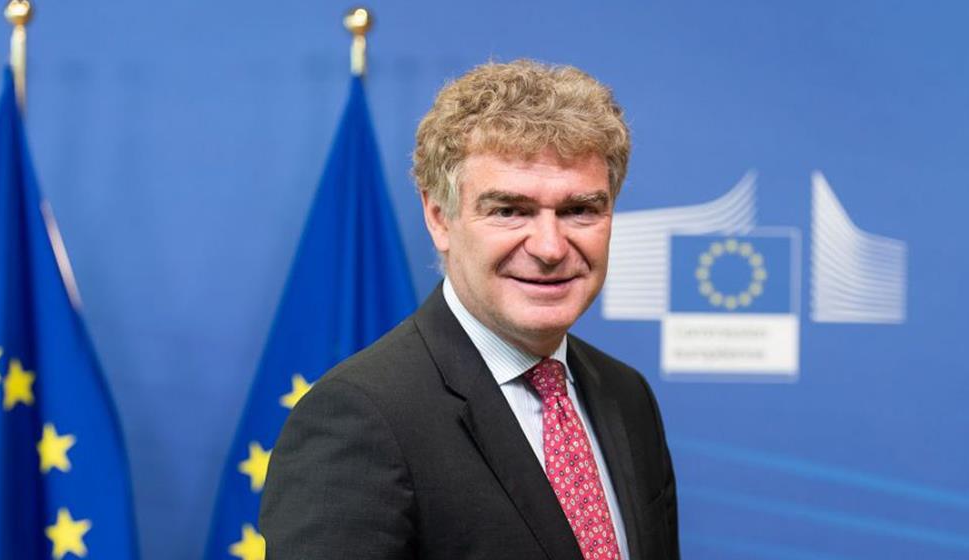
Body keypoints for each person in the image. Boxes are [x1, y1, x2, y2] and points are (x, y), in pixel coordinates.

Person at [260, 59, 680, 560]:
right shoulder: (359, 419)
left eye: (579, 210)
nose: (550, 247)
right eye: (510, 211)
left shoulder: (626, 396)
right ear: (440, 218)